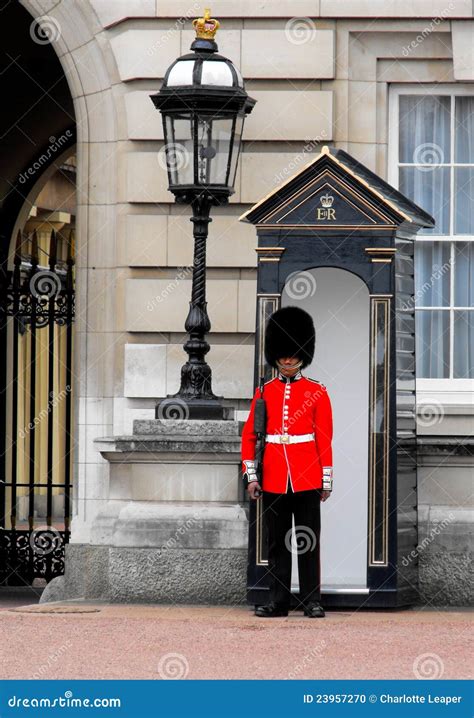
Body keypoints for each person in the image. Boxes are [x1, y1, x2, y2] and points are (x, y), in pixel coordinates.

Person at [241, 306, 333, 618]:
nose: (288, 359)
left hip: (307, 476)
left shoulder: (317, 392)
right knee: (277, 544)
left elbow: (324, 438)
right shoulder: (264, 392)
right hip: (274, 477)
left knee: (308, 542)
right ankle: (278, 601)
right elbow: (250, 439)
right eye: (283, 354)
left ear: (302, 354)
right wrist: (252, 476)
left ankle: (312, 600)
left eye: (294, 354)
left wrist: (326, 479)